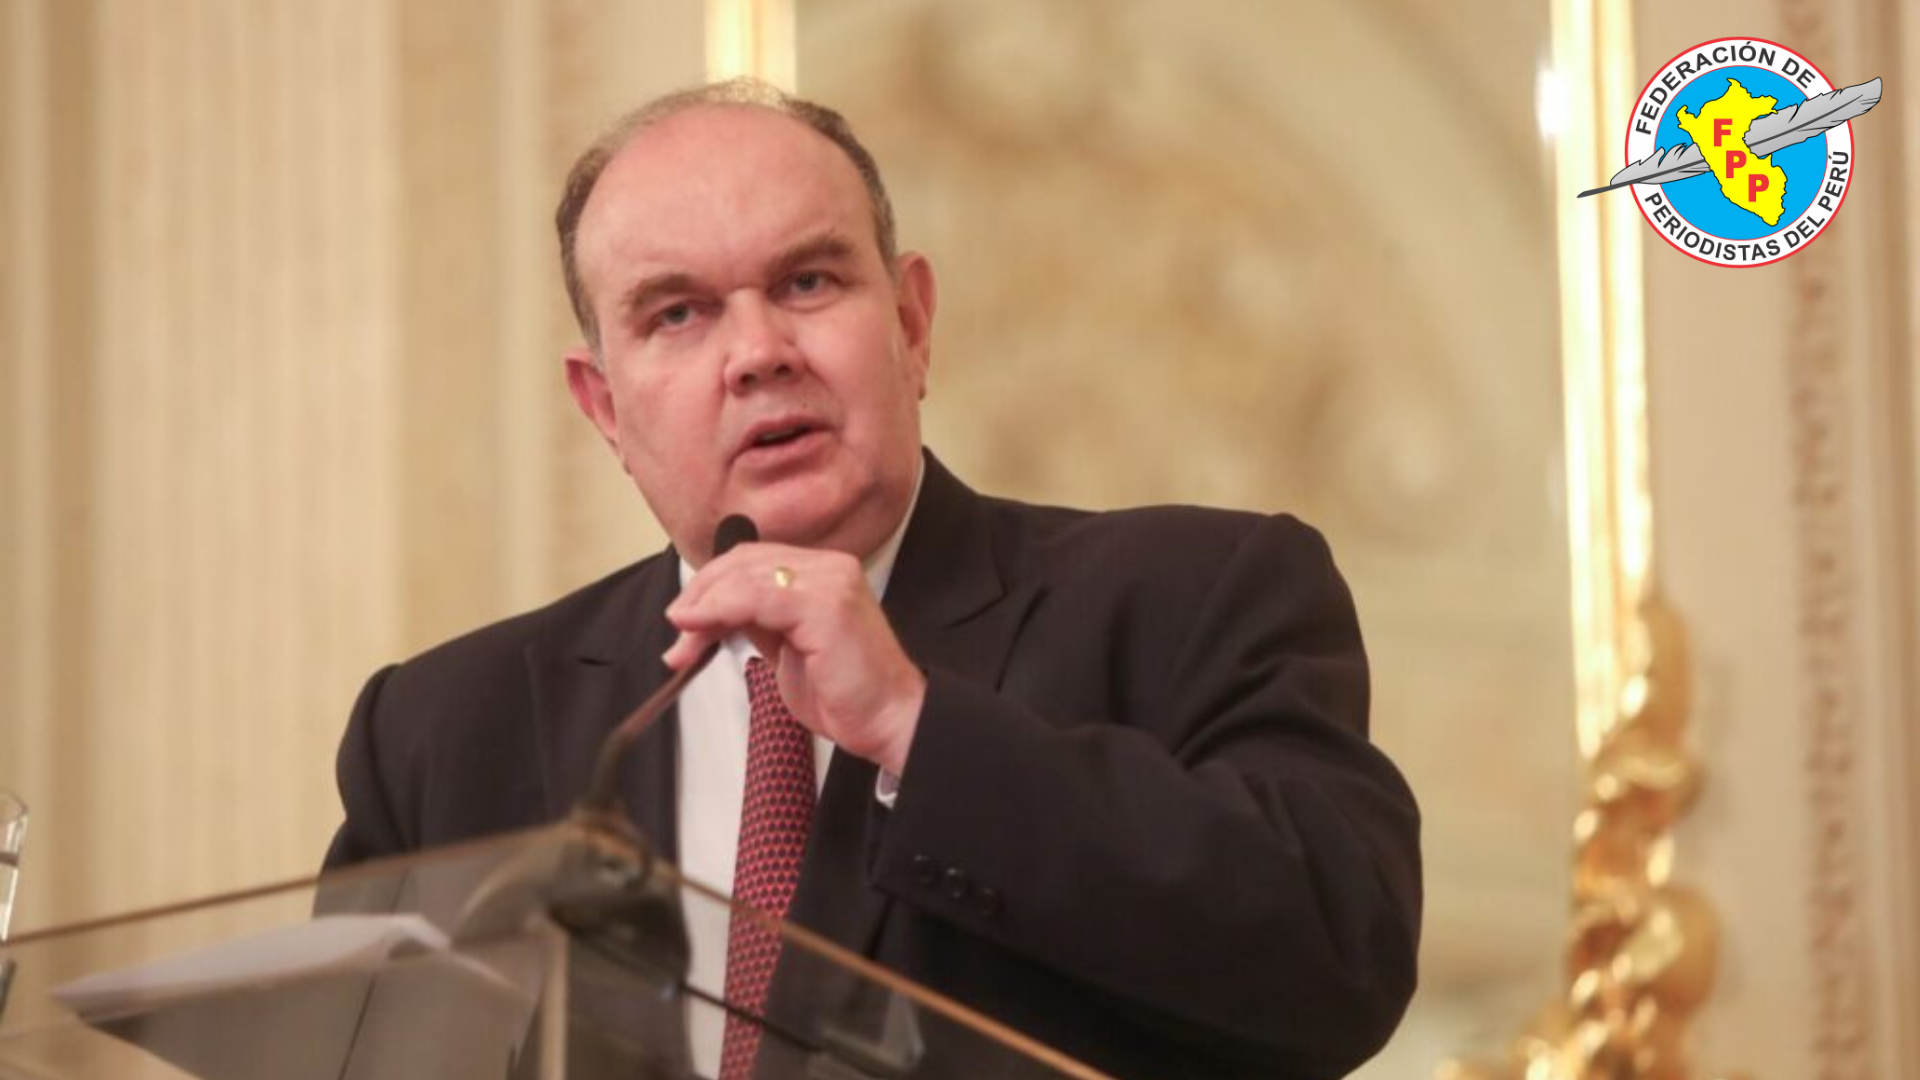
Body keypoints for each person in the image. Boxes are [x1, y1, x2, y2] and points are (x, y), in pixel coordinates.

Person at [325, 79, 1421, 1080]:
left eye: (807, 282)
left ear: (910, 323)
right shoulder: (441, 734)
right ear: (605, 407)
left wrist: (914, 724)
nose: (757, 352)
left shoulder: (1191, 598)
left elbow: (1341, 960)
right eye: (677, 313)